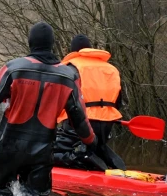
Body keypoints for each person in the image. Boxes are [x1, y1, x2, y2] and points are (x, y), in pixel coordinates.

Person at [0, 22, 97, 196]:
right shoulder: (69, 76)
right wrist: (90, 142)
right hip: (42, 151)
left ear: (30, 43)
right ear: (52, 44)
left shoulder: (14, 68)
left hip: (8, 146)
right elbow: (79, 118)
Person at [53, 34, 126, 171]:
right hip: (106, 125)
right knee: (94, 144)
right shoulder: (111, 69)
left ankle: (79, 156)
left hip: (80, 124)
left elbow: (60, 101)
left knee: (45, 153)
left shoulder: (71, 67)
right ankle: (100, 154)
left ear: (73, 51)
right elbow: (118, 103)